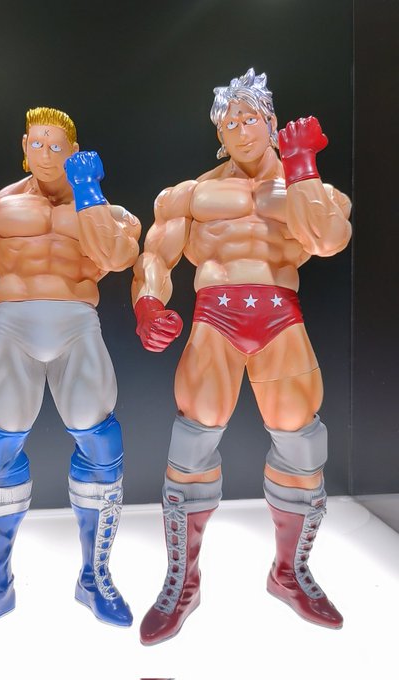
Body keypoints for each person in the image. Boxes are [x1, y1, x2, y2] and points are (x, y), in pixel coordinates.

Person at [132, 68, 352, 645]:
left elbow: (327, 239)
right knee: (192, 440)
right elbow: (154, 253)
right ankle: (183, 581)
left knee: (300, 441)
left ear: (272, 122)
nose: (241, 129)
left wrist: (301, 164)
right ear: (219, 135)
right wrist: (148, 303)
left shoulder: (307, 186)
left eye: (250, 117)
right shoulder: (190, 194)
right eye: (230, 122)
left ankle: (289, 573)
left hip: (280, 314)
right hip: (215, 315)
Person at [0, 106, 141, 649]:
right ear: (25, 147)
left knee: (99, 436)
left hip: (77, 321)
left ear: (75, 152)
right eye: (38, 144)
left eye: (57, 146)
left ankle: (95, 577)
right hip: (15, 324)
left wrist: (88, 191)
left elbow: (117, 256)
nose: (46, 155)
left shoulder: (108, 211)